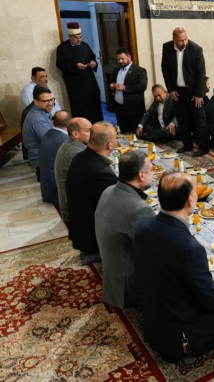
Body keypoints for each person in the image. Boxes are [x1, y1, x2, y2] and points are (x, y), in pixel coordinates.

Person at [134, 172, 214, 363]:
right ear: (190, 200)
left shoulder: (144, 226)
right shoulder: (190, 248)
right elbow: (211, 301)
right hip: (177, 334)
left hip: (155, 317)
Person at [95, 150, 155, 310]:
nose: (154, 172)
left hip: (113, 278)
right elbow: (155, 253)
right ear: (141, 175)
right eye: (152, 169)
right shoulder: (140, 209)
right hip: (129, 288)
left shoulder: (108, 190)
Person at [67, 122, 119, 264]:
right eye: (115, 138)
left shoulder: (81, 156)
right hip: (92, 237)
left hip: (80, 226)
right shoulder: (100, 172)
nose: (116, 141)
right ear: (109, 144)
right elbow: (118, 204)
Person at [161, 27, 208, 156]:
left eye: (186, 39)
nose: (184, 42)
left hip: (193, 92)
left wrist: (199, 94)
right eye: (181, 40)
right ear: (174, 39)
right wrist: (170, 89)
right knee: (182, 120)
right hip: (177, 91)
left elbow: (201, 73)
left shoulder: (196, 49)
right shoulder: (166, 47)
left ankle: (204, 147)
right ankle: (187, 145)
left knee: (199, 120)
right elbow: (165, 70)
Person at [55, 22, 103, 123]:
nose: (79, 40)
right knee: (81, 108)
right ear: (70, 36)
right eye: (75, 38)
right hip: (76, 85)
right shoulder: (62, 48)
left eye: (80, 37)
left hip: (89, 82)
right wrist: (75, 66)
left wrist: (93, 63)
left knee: (94, 106)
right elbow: (60, 64)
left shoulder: (85, 46)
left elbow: (92, 57)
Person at [54, 117, 91, 223]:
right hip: (75, 209)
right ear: (75, 134)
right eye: (88, 130)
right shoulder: (77, 152)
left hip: (71, 201)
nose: (93, 134)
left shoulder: (69, 144)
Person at [108, 47, 148, 133]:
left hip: (134, 109)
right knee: (123, 132)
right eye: (118, 59)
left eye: (122, 59)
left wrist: (124, 87)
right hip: (119, 108)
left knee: (136, 134)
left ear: (129, 57)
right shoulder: (116, 69)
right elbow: (112, 81)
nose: (120, 61)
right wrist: (111, 85)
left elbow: (142, 86)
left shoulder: (139, 70)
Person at [23, 86, 55, 178]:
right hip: (43, 160)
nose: (50, 103)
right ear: (36, 102)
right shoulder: (38, 119)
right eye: (46, 101)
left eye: (51, 100)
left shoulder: (40, 112)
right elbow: (51, 141)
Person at [39, 110, 69, 204]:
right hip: (57, 192)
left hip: (48, 189)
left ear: (52, 122)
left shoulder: (48, 134)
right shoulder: (65, 140)